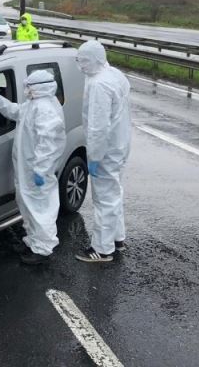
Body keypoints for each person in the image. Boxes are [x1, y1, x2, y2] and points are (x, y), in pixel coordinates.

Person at [0, 70, 66, 265]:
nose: (26, 90)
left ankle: (43, 249)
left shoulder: (45, 108)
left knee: (41, 209)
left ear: (38, 87)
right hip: (28, 168)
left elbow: (48, 143)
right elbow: (15, 111)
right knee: (28, 206)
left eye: (29, 86)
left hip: (37, 170)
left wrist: (41, 170)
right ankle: (32, 241)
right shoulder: (34, 104)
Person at [74, 40, 131, 263]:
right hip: (119, 144)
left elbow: (98, 127)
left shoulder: (99, 84)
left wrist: (94, 158)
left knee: (104, 199)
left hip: (106, 150)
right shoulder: (115, 74)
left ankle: (102, 249)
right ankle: (117, 238)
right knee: (114, 193)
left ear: (95, 60)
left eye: (84, 61)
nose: (81, 66)